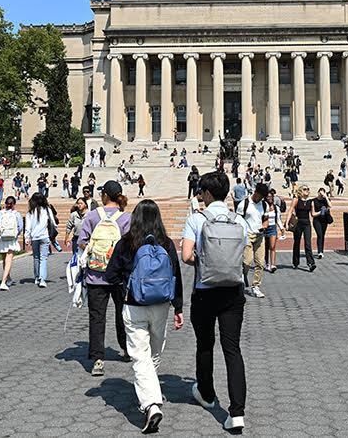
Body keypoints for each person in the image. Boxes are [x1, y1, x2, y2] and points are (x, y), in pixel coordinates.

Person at [103, 199, 184, 433]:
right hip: (161, 306)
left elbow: (110, 275)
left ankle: (150, 401)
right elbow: (176, 276)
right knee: (154, 353)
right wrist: (178, 308)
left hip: (134, 305)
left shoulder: (126, 242)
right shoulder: (166, 244)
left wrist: (124, 288)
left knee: (140, 356)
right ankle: (151, 398)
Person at [180, 171, 248, 432]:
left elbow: (186, 256)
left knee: (205, 344)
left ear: (207, 194)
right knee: (233, 350)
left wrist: (206, 262)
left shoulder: (196, 219)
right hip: (233, 291)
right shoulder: (239, 220)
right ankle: (237, 413)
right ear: (227, 193)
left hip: (205, 290)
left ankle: (207, 395)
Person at [78, 180, 131, 376]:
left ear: (105, 196)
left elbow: (82, 241)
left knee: (97, 317)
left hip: (95, 275)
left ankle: (98, 359)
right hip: (118, 276)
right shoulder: (126, 218)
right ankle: (126, 349)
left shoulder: (92, 216)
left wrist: (94, 250)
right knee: (123, 314)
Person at [238, 183, 269, 298]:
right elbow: (238, 220)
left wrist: (264, 226)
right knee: (247, 262)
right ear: (255, 192)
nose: (260, 199)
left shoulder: (264, 205)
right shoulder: (244, 204)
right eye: (259, 196)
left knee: (260, 263)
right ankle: (241, 279)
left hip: (260, 236)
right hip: (247, 236)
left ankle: (256, 286)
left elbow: (265, 219)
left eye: (262, 197)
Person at [25, 193, 55, 288]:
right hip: (44, 236)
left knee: (36, 257)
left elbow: (28, 227)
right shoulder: (47, 210)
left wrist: (26, 237)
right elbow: (53, 222)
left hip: (34, 237)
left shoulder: (30, 212)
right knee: (43, 258)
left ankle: (37, 277)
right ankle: (42, 279)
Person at [286, 185, 316, 271]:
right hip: (298, 223)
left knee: (308, 243)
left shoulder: (311, 202)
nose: (307, 190)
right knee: (297, 243)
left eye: (308, 189)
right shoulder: (296, 200)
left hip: (307, 223)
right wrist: (287, 223)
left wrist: (322, 212)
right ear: (300, 191)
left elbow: (313, 214)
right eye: (305, 189)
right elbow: (291, 210)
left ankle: (311, 263)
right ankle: (295, 262)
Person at [264, 189, 285, 273]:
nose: (269, 198)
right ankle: (267, 264)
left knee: (272, 247)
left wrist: (282, 228)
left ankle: (273, 264)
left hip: (273, 228)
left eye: (270, 196)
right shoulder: (263, 206)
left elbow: (278, 219)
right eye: (267, 196)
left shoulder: (276, 208)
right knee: (266, 248)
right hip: (265, 228)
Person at [311, 187, 332, 259]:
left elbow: (330, 206)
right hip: (317, 220)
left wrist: (326, 196)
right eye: (320, 193)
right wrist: (320, 212)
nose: (321, 195)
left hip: (324, 220)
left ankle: (321, 251)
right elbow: (313, 214)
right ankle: (319, 251)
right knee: (319, 234)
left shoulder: (325, 200)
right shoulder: (314, 200)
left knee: (322, 235)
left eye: (322, 193)